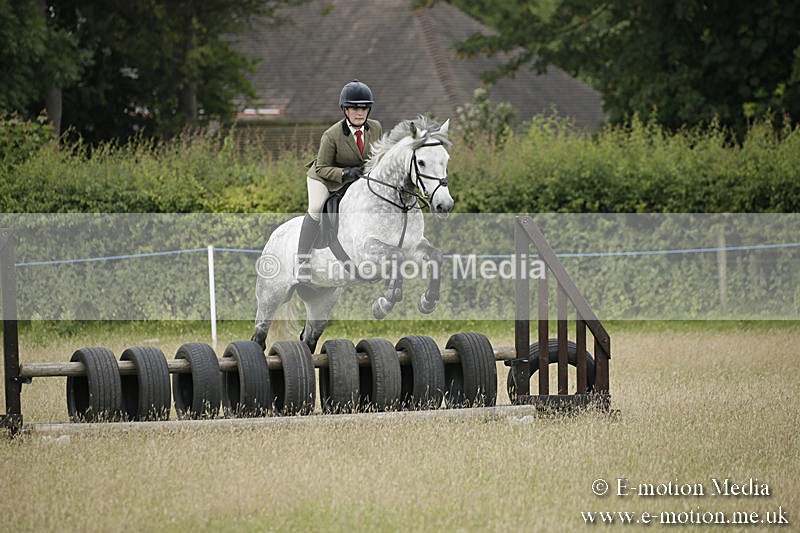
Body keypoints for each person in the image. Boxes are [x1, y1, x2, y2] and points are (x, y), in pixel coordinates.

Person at [296, 80, 383, 279]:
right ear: (345, 110)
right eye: (354, 108)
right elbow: (322, 167)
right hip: (326, 178)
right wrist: (345, 174)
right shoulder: (331, 135)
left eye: (364, 108)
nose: (360, 113)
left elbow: (378, 156)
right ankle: (302, 261)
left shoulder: (376, 128)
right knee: (317, 207)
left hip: (357, 178)